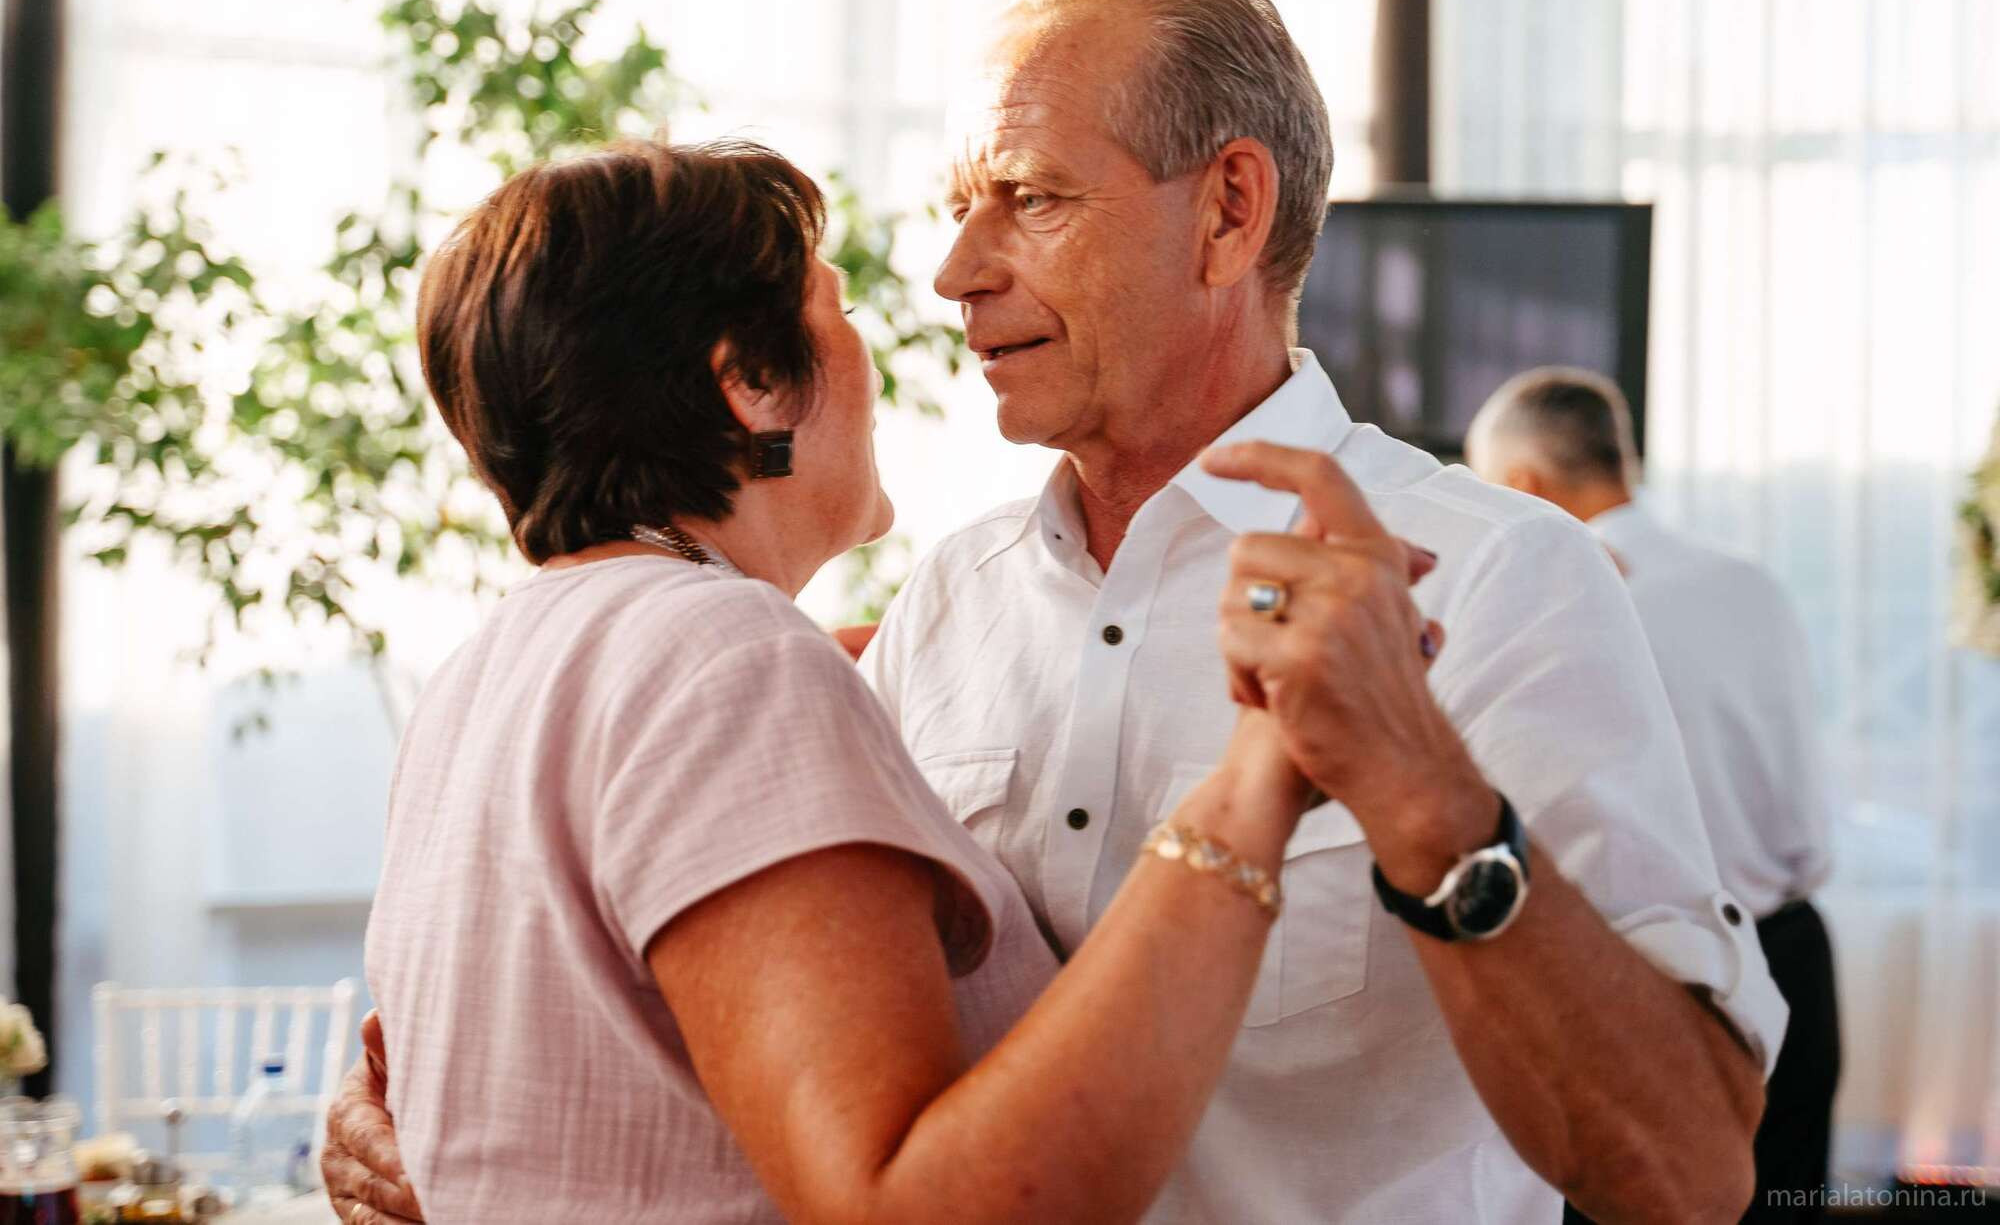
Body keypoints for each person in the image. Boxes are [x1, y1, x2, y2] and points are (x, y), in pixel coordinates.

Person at [328, 0, 1783, 1224]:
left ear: (1228, 211)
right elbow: (798, 1067)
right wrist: (444, 1119)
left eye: (1026, 199)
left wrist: (1423, 794)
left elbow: (1689, 1177)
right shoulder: (937, 611)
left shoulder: (1505, 583)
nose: (954, 272)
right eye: (961, 206)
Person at [343, 134, 1456, 1223]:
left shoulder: (490, 674)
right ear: (753, 385)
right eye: (840, 316)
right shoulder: (722, 660)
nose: (928, 305)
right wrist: (1259, 772)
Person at [1468, 366, 1840, 1223]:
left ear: (1522, 484)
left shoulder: (1549, 598)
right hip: (1794, 956)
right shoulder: (1752, 583)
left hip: (1638, 989)